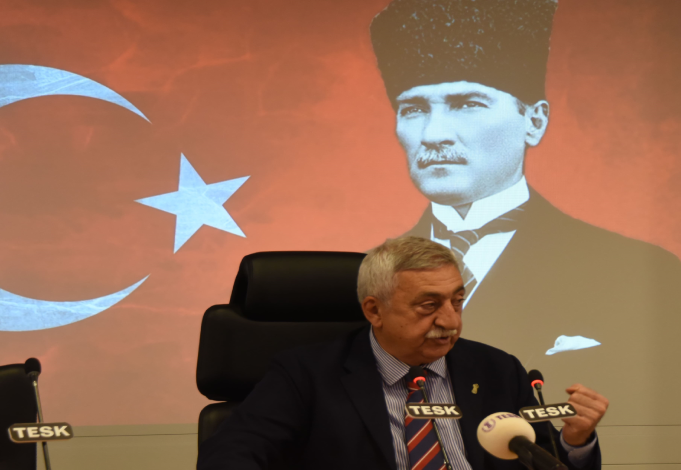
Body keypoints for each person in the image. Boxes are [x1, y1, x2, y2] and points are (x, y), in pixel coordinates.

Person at [369, 0, 681, 424]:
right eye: (414, 109)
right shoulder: (368, 278)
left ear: (534, 121)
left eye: (468, 103)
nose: (434, 134)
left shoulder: (639, 270)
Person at [198, 237, 608, 470]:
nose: (450, 320)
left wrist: (575, 441)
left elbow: (544, 462)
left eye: (457, 301)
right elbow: (230, 456)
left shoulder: (497, 369)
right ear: (374, 310)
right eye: (429, 305)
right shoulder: (306, 374)